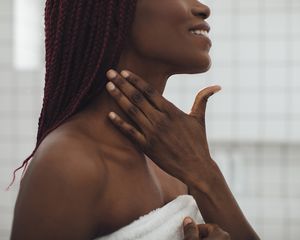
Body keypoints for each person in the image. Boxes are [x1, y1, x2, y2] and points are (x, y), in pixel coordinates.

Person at [10, 0, 259, 240]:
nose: (203, 8)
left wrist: (204, 170)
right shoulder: (69, 162)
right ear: (115, 11)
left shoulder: (174, 158)